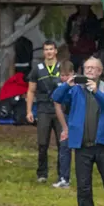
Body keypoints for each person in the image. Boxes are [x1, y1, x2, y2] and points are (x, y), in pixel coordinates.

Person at [53, 56, 104, 206]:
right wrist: (67, 84)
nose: (89, 70)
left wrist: (96, 91)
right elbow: (56, 98)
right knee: (84, 187)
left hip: (103, 146)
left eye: (93, 68)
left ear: (100, 71)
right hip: (82, 146)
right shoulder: (75, 89)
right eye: (87, 67)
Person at [26, 40, 71, 187]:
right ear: (43, 52)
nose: (49, 52)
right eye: (46, 49)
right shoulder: (37, 69)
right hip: (43, 108)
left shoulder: (62, 67)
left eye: (51, 49)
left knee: (62, 143)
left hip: (60, 109)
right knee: (42, 142)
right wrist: (29, 110)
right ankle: (42, 173)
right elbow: (31, 90)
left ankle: (62, 174)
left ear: (56, 51)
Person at [64, 5, 101, 71]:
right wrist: (70, 40)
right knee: (71, 74)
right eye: (81, 6)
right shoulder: (73, 18)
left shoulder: (93, 18)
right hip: (74, 53)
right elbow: (67, 34)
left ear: (89, 7)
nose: (83, 8)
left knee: (88, 75)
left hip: (88, 53)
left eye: (85, 6)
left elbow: (96, 36)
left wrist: (83, 26)